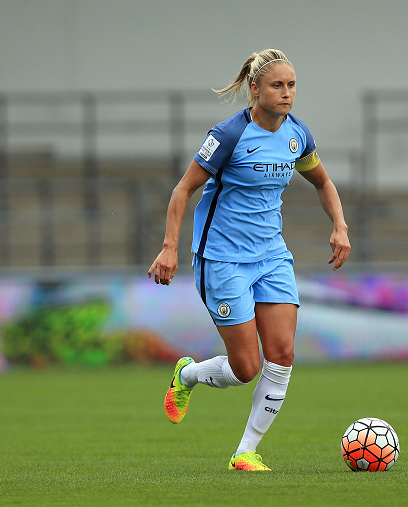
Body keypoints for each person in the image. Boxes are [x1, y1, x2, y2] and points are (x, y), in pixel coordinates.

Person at [148, 49, 351, 471]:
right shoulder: (227, 135)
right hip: (222, 260)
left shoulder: (298, 136)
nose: (287, 93)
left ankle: (245, 452)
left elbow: (323, 182)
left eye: (292, 85)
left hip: (272, 257)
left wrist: (340, 226)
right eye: (278, 85)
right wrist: (169, 247)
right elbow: (182, 190)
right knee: (245, 368)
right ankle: (187, 375)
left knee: (283, 353)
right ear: (254, 89)